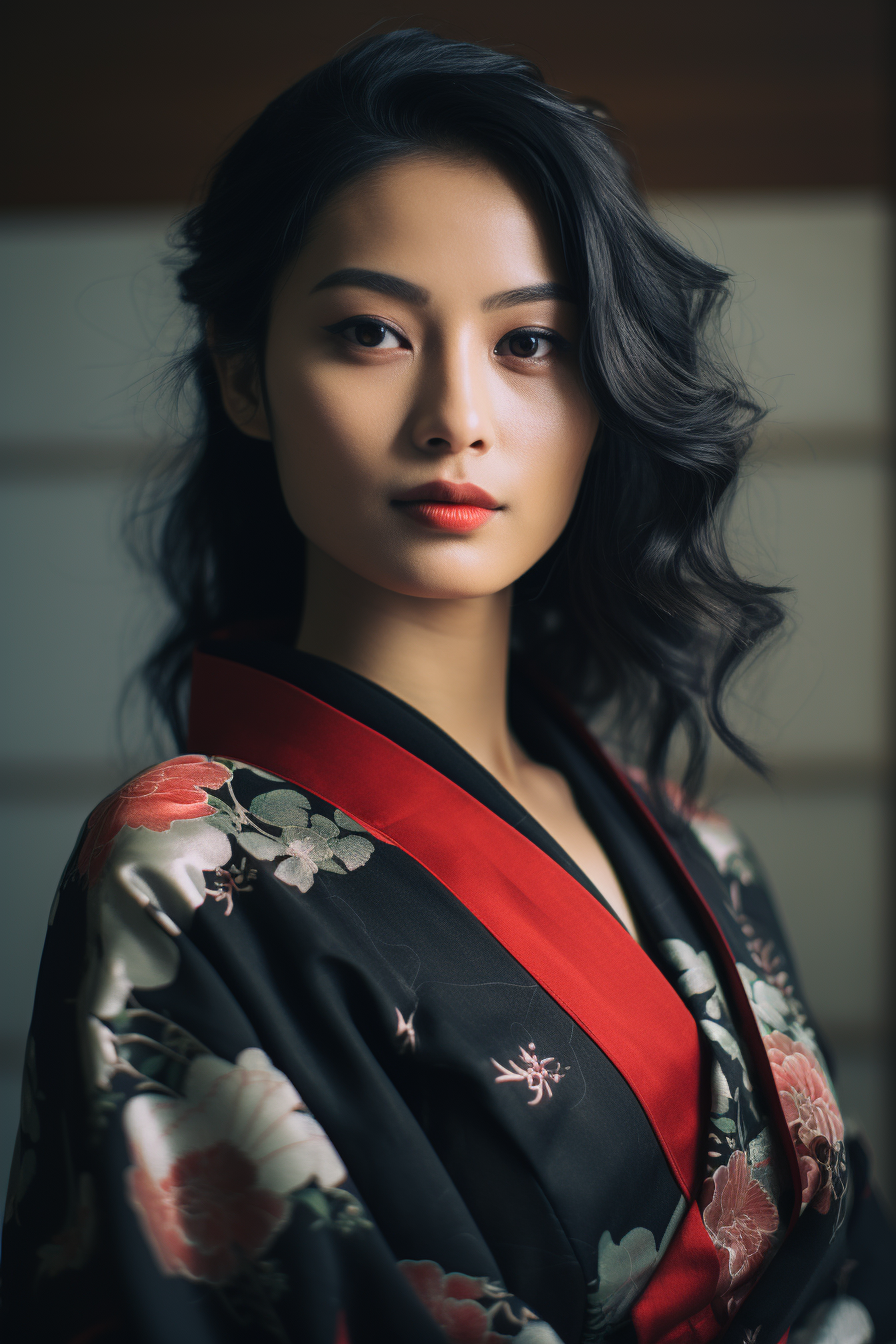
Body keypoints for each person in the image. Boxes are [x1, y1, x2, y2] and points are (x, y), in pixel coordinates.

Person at [2, 28, 893, 1344]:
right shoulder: (179, 870)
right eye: (370, 332)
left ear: (604, 393)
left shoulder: (693, 837)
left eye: (530, 344)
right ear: (247, 375)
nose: (456, 416)